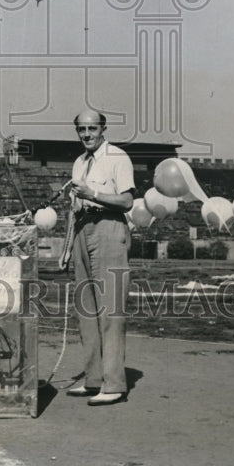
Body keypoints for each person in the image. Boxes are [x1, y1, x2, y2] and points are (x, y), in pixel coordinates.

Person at [60, 108, 135, 406]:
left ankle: (115, 383)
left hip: (109, 228)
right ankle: (94, 379)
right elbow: (72, 208)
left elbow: (127, 200)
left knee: (110, 310)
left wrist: (93, 194)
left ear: (103, 128)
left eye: (92, 129)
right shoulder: (79, 162)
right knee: (86, 309)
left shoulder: (117, 158)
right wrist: (66, 247)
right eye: (82, 130)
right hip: (81, 231)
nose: (87, 134)